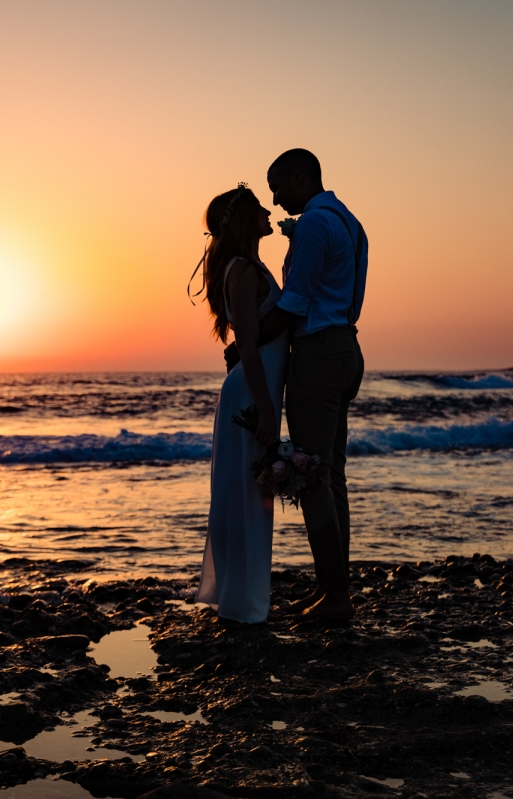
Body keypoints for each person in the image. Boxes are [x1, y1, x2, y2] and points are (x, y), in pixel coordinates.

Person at [229, 149, 368, 622]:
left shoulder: (312, 224)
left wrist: (244, 342)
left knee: (310, 477)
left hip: (319, 353)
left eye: (277, 187)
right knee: (330, 475)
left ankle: (336, 596)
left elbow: (294, 305)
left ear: (298, 175)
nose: (274, 199)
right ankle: (334, 590)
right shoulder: (349, 220)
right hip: (347, 347)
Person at [193, 184, 290, 624]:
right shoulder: (245, 270)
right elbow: (248, 346)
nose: (269, 213)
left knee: (245, 494)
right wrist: (268, 411)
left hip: (252, 387)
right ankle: (245, 606)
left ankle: (242, 599)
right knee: (249, 497)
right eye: (259, 209)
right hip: (252, 392)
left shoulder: (243, 266)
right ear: (243, 220)